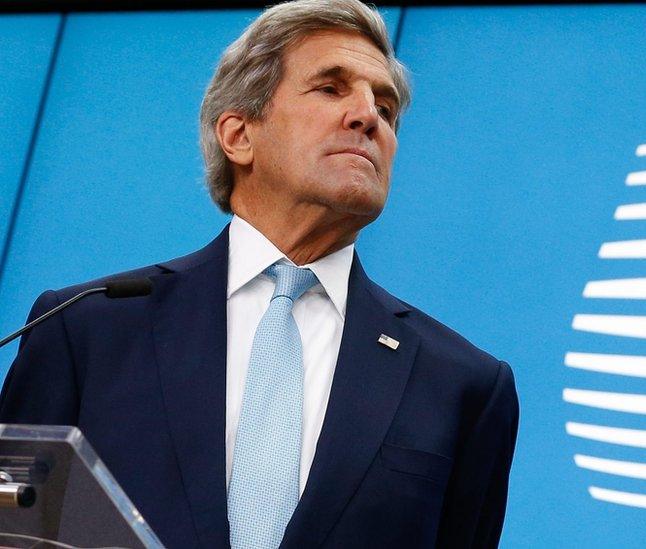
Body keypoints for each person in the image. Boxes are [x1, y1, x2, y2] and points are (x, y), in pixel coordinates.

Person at [0, 1, 519, 547]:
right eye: (330, 88)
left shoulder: (462, 384)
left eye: (386, 109)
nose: (368, 117)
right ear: (239, 135)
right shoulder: (86, 329)